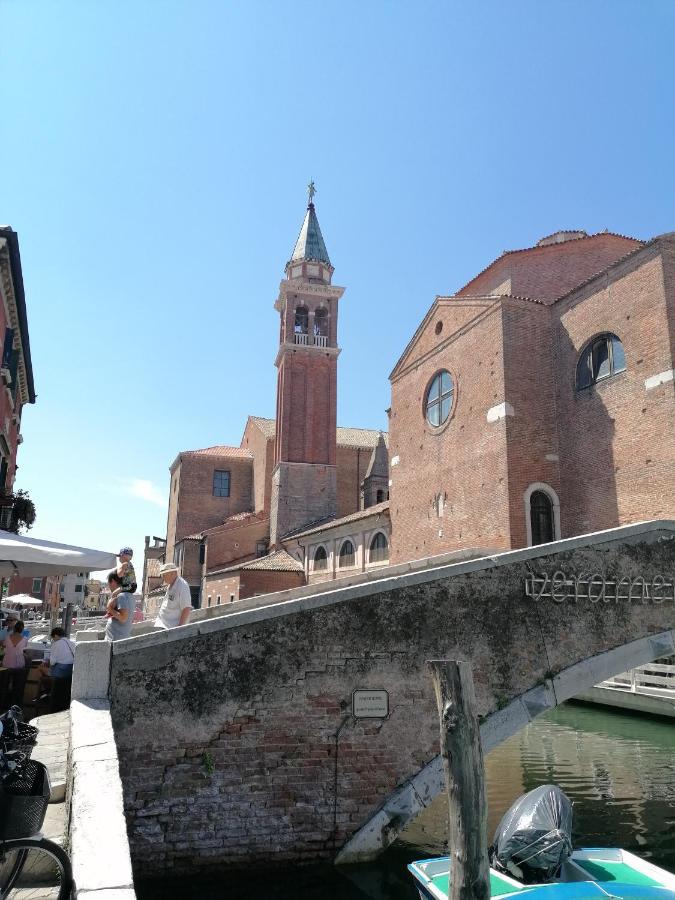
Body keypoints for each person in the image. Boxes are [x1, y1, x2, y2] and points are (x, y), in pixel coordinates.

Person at [154, 563, 192, 630]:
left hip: (170, 627)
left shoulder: (182, 586)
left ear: (173, 573)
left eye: (164, 574)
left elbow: (186, 608)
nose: (163, 577)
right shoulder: (171, 585)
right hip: (163, 624)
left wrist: (179, 629)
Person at [3, 620, 28, 707]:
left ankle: (5, 705)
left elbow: (4, 645)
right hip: (19, 666)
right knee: (17, 688)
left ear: (14, 628)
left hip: (7, 664)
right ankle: (16, 705)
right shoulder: (24, 639)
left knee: (4, 687)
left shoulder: (7, 637)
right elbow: (25, 651)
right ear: (22, 629)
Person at [104, 570, 135, 641]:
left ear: (113, 581)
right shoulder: (128, 595)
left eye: (108, 583)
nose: (108, 586)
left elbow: (123, 618)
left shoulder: (122, 596)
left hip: (116, 639)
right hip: (117, 638)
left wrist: (109, 608)